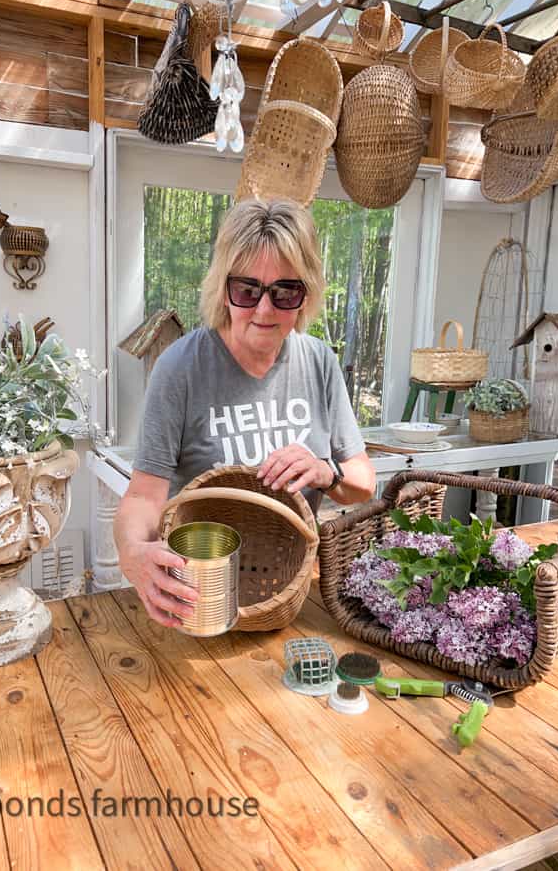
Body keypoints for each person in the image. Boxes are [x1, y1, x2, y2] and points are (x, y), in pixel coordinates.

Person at [114, 198, 376, 628]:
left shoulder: (319, 363)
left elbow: (363, 483)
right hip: (198, 601)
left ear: (305, 294)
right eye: (247, 290)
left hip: (294, 599)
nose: (264, 310)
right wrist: (132, 555)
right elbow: (144, 497)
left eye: (285, 292)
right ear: (223, 288)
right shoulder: (180, 368)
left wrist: (325, 472)